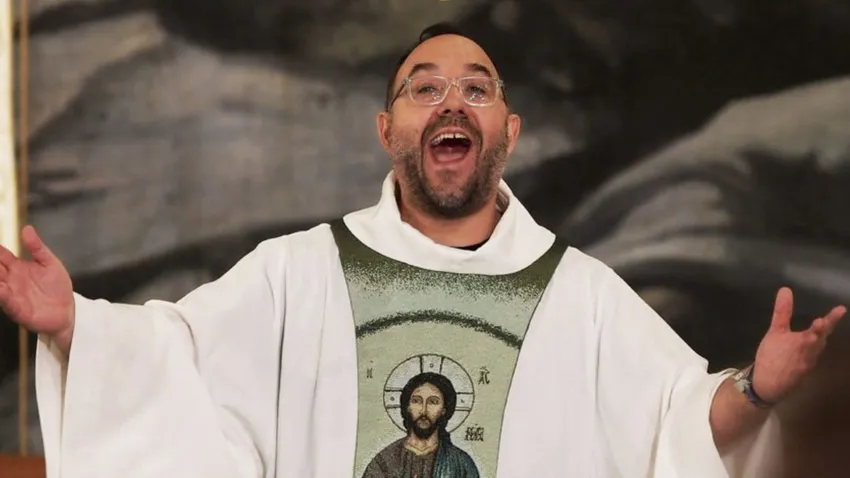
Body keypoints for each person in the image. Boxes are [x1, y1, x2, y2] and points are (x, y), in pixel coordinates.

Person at [0, 22, 844, 478]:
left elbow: (679, 426)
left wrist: (757, 386)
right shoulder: (301, 272)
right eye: (425, 87)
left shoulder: (579, 294)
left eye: (476, 89)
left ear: (508, 131)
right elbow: (173, 360)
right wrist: (76, 325)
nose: (452, 102)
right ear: (387, 129)